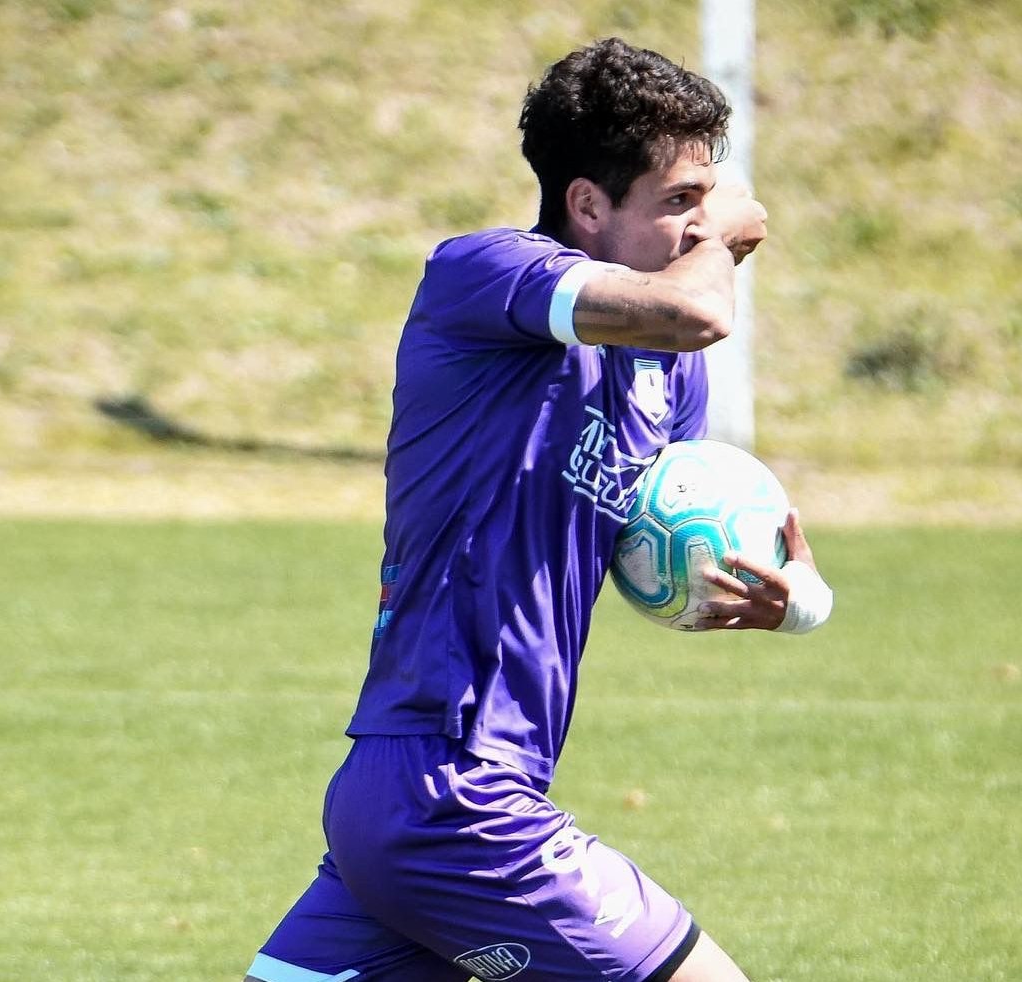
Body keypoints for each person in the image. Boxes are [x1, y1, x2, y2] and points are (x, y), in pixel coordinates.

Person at [244, 37, 832, 982]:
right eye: (678, 201)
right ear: (587, 205)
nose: (698, 224)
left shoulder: (665, 376)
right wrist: (721, 241)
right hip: (456, 788)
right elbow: (697, 312)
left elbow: (667, 542)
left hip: (422, 794)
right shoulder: (482, 275)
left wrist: (793, 597)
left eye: (707, 198)